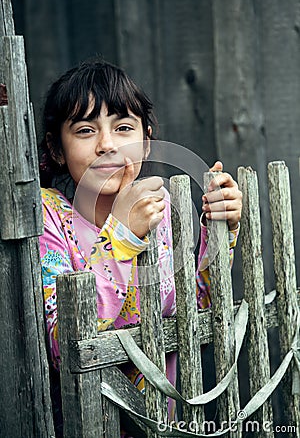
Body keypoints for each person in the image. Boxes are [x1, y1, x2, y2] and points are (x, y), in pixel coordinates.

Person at [38, 58, 242, 437]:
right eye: (85, 130)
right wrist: (121, 237)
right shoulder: (49, 216)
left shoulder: (158, 216)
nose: (107, 145)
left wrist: (220, 231)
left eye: (124, 128)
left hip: (160, 423)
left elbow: (194, 310)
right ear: (57, 147)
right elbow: (61, 344)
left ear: (146, 142)